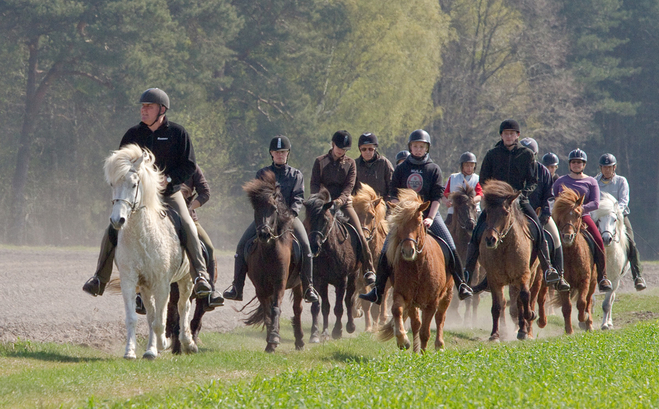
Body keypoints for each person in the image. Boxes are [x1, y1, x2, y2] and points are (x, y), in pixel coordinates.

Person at [82, 88, 224, 306]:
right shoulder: (132, 135)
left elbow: (189, 165)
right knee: (112, 227)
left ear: (162, 110)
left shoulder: (178, 133)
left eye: (148, 106)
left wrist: (167, 180)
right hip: (138, 197)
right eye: (142, 106)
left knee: (188, 224)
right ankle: (99, 278)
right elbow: (121, 165)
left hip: (168, 194)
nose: (143, 110)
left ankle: (200, 277)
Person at [359, 129, 474, 304]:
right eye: (415, 146)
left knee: (450, 246)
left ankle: (461, 284)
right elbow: (393, 194)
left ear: (426, 148)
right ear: (410, 147)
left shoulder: (433, 168)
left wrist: (430, 217)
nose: (418, 149)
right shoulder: (401, 168)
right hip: (405, 219)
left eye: (421, 146)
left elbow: (436, 197)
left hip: (428, 215)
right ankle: (378, 290)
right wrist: (401, 212)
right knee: (384, 251)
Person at [463, 119, 569, 292]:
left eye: (512, 133)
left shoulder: (527, 154)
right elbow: (483, 180)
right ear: (501, 135)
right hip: (496, 203)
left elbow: (533, 181)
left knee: (538, 230)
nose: (509, 136)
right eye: (506, 133)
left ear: (517, 135)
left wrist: (522, 195)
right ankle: (467, 275)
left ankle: (549, 268)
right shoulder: (492, 154)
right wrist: (494, 195)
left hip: (520, 200)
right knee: (477, 233)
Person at [223, 136, 319, 303]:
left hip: (289, 219)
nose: (280, 155)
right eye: (277, 152)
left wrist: (291, 214)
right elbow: (257, 197)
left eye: (283, 152)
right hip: (266, 219)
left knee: (305, 246)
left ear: (287, 153)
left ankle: (308, 287)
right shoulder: (262, 173)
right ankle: (237, 287)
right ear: (271, 154)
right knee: (241, 245)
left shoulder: (296, 175)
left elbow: (298, 197)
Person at [310, 130, 377, 285]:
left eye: (344, 149)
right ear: (333, 144)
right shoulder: (319, 161)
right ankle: (305, 271)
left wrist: (340, 201)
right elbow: (314, 183)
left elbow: (349, 186)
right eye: (339, 147)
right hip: (323, 203)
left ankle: (369, 269)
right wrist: (319, 199)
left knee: (360, 234)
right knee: (309, 231)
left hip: (344, 203)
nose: (340, 151)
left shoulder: (350, 164)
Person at [553, 149, 612, 292]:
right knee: (549, 238)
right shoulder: (561, 181)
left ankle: (602, 277)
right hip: (562, 218)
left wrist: (579, 210)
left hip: (582, 216)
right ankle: (549, 272)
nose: (576, 165)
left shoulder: (591, 181)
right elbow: (554, 198)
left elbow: (595, 203)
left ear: (584, 165)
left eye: (579, 162)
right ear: (569, 164)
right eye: (573, 162)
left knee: (598, 240)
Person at [520, 138, 570, 292]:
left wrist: (545, 213)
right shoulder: (512, 169)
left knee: (556, 239)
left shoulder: (543, 171)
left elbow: (549, 196)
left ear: (535, 154)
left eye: (530, 154)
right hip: (516, 214)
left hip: (539, 213)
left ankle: (557, 275)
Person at [595, 153, 646, 290]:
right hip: (600, 217)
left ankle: (637, 276)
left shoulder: (621, 181)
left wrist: (616, 212)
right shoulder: (595, 181)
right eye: (604, 167)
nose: (607, 170)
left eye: (609, 167)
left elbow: (624, 200)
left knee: (630, 241)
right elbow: (593, 199)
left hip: (618, 216)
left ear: (614, 167)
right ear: (600, 168)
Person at [442, 151, 483, 227]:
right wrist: (446, 202)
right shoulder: (453, 178)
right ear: (462, 166)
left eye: (472, 165)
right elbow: (443, 194)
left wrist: (471, 201)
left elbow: (480, 195)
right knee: (445, 231)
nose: (469, 168)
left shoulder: (477, 179)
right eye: (467, 165)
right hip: (454, 212)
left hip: (473, 212)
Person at [354, 132, 394, 201]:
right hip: (360, 204)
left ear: (375, 149)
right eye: (364, 149)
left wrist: (388, 201)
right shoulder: (354, 165)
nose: (367, 152)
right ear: (360, 149)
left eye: (370, 149)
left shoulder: (384, 163)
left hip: (381, 202)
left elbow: (392, 185)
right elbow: (350, 187)